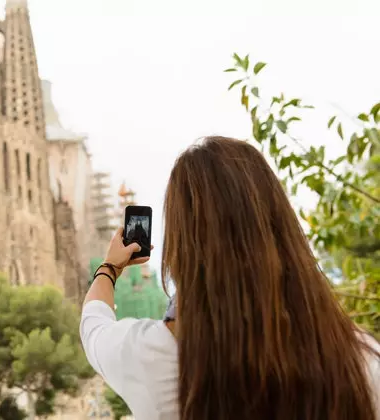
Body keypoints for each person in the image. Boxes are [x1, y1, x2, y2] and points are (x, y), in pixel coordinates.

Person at [80, 136, 380, 420]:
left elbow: (94, 323)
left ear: (182, 244)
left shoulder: (148, 356)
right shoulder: (361, 360)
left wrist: (110, 267)